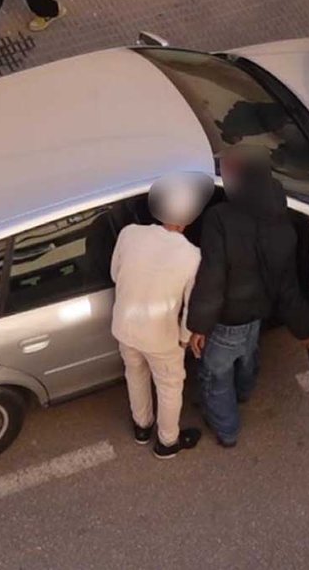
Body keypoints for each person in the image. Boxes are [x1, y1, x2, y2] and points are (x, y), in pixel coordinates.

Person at [185, 147, 309, 447]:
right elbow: (288, 287)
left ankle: (227, 430)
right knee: (247, 356)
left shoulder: (219, 218)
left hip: (226, 319)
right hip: (258, 313)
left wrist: (199, 326)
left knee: (215, 377)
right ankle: (244, 393)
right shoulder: (284, 225)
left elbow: (212, 277)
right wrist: (306, 330)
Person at [110, 173, 212, 459]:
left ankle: (142, 426)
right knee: (169, 387)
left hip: (124, 327)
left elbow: (115, 274)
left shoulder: (129, 233)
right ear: (188, 219)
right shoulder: (193, 256)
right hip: (161, 337)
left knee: (135, 374)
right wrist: (183, 339)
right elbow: (192, 305)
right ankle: (167, 442)